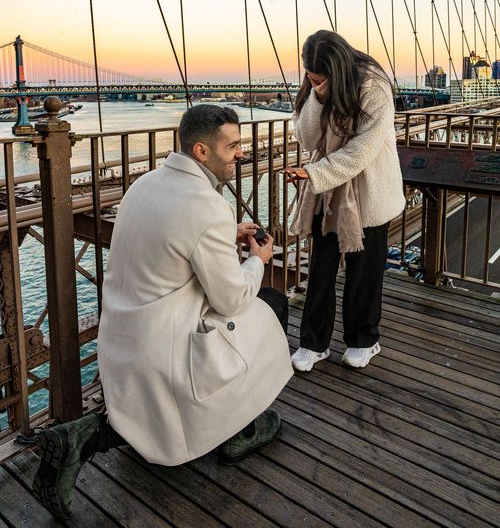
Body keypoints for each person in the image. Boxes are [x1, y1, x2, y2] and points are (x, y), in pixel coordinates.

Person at [33, 104, 293, 520]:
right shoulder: (209, 207)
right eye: (234, 146)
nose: (242, 153)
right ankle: (238, 430)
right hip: (167, 355)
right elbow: (231, 300)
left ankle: (76, 438)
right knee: (271, 306)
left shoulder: (145, 184)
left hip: (121, 343)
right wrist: (258, 258)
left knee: (156, 392)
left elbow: (172, 242)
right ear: (202, 152)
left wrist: (227, 234)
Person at [283, 30, 405, 372]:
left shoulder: (373, 85)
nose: (313, 80)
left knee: (364, 273)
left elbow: (362, 150)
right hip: (327, 194)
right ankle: (313, 342)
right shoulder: (315, 84)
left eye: (320, 77)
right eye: (309, 75)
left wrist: (315, 174)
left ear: (338, 68)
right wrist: (318, 94)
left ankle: (364, 340)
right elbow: (307, 137)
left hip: (369, 191)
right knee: (320, 269)